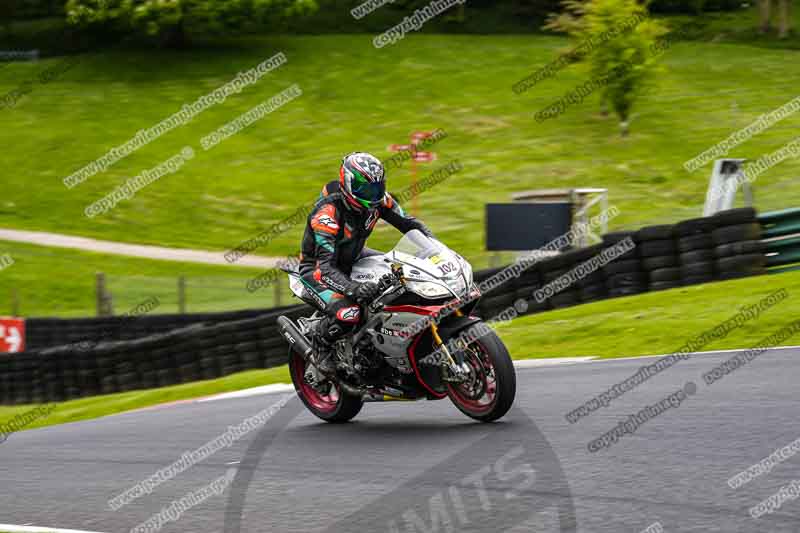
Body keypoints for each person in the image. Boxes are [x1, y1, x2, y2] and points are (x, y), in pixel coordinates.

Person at [298, 152, 433, 373]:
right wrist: (355, 288)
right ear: (348, 184)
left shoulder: (380, 201)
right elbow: (325, 268)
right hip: (318, 270)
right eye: (365, 189)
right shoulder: (327, 214)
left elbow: (409, 224)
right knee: (349, 313)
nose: (372, 195)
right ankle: (320, 344)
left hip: (356, 256)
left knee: (402, 276)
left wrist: (434, 247)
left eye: (377, 188)